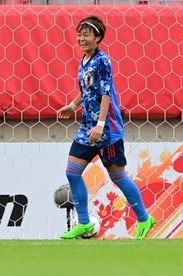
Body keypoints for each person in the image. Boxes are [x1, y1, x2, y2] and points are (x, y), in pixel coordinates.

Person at [57, 15, 156, 240]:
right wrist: (72, 106)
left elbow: (105, 94)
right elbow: (87, 92)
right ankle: (84, 223)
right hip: (87, 127)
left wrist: (101, 125)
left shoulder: (102, 61)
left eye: (86, 34)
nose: (81, 38)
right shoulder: (84, 61)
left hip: (106, 130)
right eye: (79, 34)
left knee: (118, 177)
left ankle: (144, 218)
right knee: (72, 172)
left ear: (98, 37)